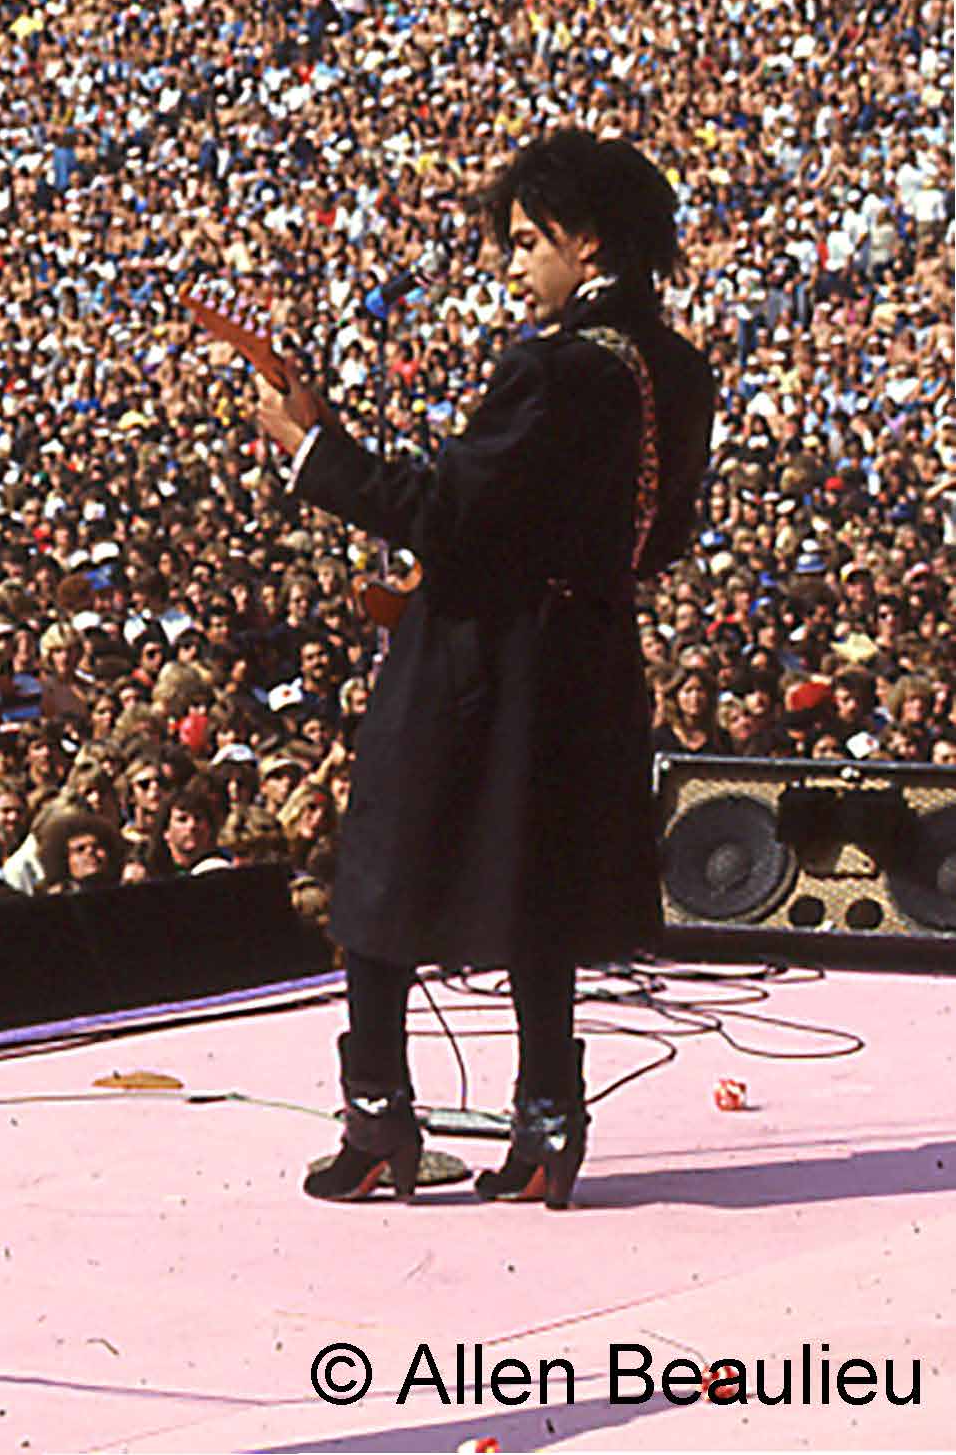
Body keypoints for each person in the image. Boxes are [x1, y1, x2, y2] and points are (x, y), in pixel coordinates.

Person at [253, 130, 716, 1209]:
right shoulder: (678, 369)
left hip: (479, 657)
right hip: (589, 652)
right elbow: (664, 534)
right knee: (538, 885)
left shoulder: (552, 366)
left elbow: (444, 513)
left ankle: (379, 1122)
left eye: (525, 241)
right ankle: (549, 1123)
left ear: (584, 238)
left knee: (376, 874)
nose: (513, 263)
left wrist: (312, 452)